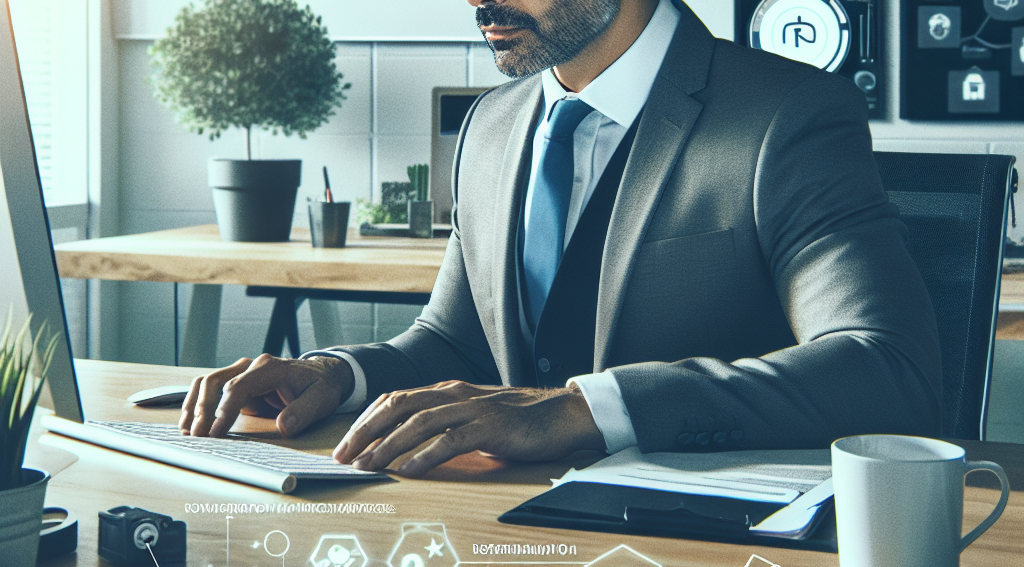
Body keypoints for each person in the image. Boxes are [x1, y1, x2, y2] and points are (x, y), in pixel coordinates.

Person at [179, 0, 943, 478]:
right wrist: (333, 374)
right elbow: (456, 342)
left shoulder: (788, 112)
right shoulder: (490, 123)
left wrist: (574, 409)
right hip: (502, 526)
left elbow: (886, 368)